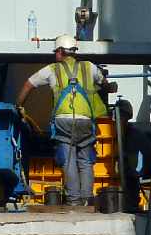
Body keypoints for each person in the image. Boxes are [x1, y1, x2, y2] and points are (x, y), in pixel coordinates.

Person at [15, 35, 111, 206]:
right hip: (85, 121)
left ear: (60, 52)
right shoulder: (89, 67)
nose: (55, 55)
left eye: (56, 52)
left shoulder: (52, 69)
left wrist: (18, 105)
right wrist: (108, 87)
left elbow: (28, 84)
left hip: (63, 122)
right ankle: (87, 199)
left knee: (68, 161)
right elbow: (105, 84)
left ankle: (74, 201)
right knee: (86, 161)